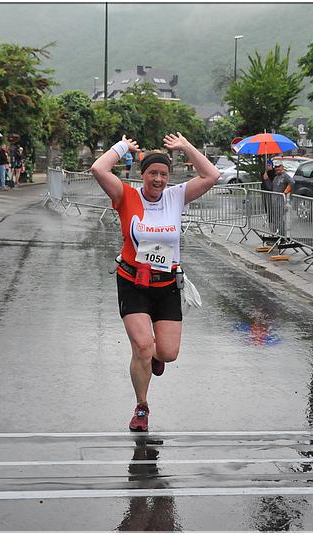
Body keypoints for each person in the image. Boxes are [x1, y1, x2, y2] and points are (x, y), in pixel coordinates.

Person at [90, 132, 220, 432]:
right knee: (143, 346)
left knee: (167, 353)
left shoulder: (177, 196)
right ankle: (142, 406)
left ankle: (155, 358)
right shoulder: (126, 195)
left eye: (163, 174)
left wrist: (186, 146)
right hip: (132, 282)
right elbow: (98, 169)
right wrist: (123, 147)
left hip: (166, 285)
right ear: (143, 174)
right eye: (152, 173)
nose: (158, 179)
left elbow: (211, 175)